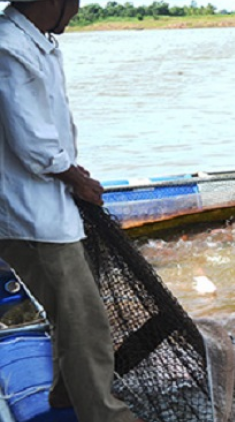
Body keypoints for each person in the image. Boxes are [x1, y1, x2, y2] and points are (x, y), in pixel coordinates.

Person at [0, 2, 144, 422]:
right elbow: (32, 141)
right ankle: (106, 415)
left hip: (45, 206)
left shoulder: (35, 43)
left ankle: (66, 392)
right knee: (86, 320)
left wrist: (71, 170)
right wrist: (74, 177)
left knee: (69, 310)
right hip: (32, 215)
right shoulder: (10, 48)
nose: (78, 8)